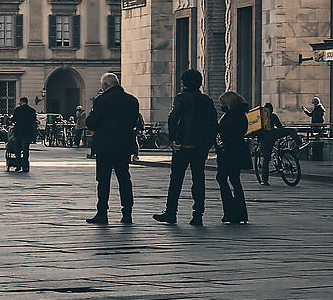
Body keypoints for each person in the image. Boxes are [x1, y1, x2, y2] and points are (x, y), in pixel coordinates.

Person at [155, 70, 218, 226]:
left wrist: (173, 139)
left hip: (183, 144)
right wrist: (207, 144)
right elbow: (213, 124)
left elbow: (173, 117)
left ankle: (171, 213)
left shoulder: (181, 98)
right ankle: (198, 215)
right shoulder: (207, 100)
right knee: (198, 179)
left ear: (183, 83)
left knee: (176, 179)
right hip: (200, 146)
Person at [84, 71, 142, 225]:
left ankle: (102, 213)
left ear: (105, 85)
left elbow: (92, 123)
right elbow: (134, 122)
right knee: (124, 179)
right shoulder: (132, 100)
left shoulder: (102, 100)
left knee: (103, 180)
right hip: (123, 144)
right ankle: (127, 213)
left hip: (105, 145)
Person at [215, 91, 251, 224]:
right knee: (234, 180)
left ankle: (231, 212)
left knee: (223, 178)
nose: (221, 106)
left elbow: (230, 132)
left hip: (229, 152)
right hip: (235, 151)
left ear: (229, 103)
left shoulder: (234, 115)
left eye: (223, 104)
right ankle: (239, 213)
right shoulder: (238, 114)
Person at [9, 99, 38, 175]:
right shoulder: (32, 110)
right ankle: (25, 166)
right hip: (27, 133)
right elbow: (34, 122)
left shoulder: (18, 110)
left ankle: (18, 165)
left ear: (21, 102)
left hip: (19, 132)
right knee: (25, 150)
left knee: (17, 149)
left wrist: (11, 121)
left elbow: (13, 119)